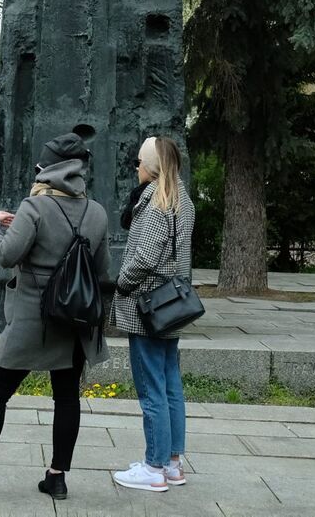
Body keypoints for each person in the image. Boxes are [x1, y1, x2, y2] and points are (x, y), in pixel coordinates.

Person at [0, 132, 110, 502]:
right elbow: (103, 271)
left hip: (33, 318)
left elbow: (8, 255)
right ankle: (57, 477)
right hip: (75, 321)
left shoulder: (34, 207)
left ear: (48, 169)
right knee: (67, 398)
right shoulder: (97, 212)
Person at [110, 136, 194, 493]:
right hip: (170, 306)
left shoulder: (156, 203)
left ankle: (154, 467)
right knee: (170, 384)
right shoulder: (182, 199)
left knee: (152, 389)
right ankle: (172, 463)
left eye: (140, 162)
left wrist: (121, 284)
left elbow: (145, 257)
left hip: (147, 305)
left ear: (152, 166)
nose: (136, 167)